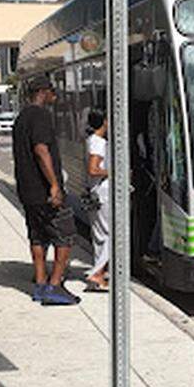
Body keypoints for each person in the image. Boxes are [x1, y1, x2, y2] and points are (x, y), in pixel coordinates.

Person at [12, 77, 79, 306]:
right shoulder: (40, 116)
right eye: (52, 91)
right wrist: (54, 184)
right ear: (42, 92)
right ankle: (55, 284)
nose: (55, 96)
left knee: (37, 236)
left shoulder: (21, 118)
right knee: (65, 236)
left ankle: (40, 283)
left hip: (27, 191)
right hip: (43, 191)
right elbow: (41, 150)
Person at [84, 110, 109, 292]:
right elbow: (93, 169)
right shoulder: (99, 142)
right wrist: (114, 171)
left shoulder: (91, 140)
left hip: (95, 193)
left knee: (100, 236)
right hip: (103, 193)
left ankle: (99, 274)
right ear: (105, 122)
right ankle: (97, 273)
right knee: (110, 235)